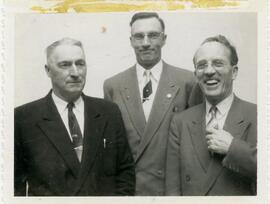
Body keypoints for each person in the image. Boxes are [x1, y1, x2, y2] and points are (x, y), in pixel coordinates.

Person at [15, 38, 135, 196]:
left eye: (80, 64)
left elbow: (125, 172)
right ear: (48, 70)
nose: (75, 73)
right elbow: (14, 186)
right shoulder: (24, 118)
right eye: (65, 65)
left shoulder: (109, 112)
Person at [103, 12, 200, 196]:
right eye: (139, 36)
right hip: (130, 191)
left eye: (153, 35)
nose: (146, 43)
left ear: (164, 39)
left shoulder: (188, 82)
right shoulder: (113, 86)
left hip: (170, 190)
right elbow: (112, 150)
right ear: (131, 41)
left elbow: (194, 147)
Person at [165, 35, 257, 196]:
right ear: (196, 75)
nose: (208, 71)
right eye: (202, 65)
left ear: (234, 72)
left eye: (218, 63)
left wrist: (233, 148)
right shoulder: (180, 122)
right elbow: (172, 189)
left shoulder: (258, 115)